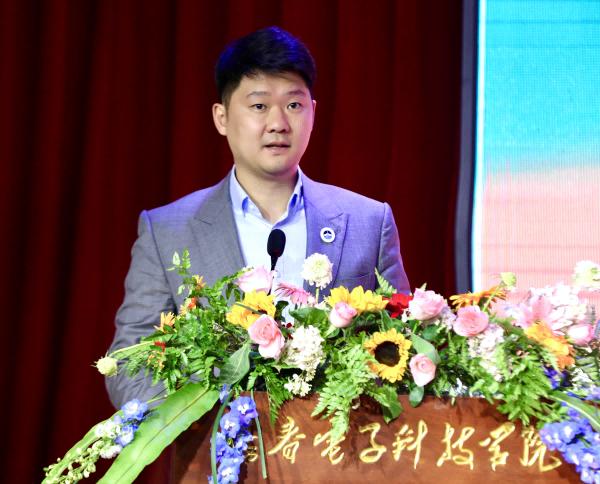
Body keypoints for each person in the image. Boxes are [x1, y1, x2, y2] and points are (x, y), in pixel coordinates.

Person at [106, 26, 410, 408]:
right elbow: (129, 365)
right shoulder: (167, 231)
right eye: (259, 106)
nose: (278, 123)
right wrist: (202, 422)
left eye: (294, 105)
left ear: (313, 113)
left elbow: (403, 348)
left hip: (337, 441)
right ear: (221, 117)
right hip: (218, 442)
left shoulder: (369, 222)